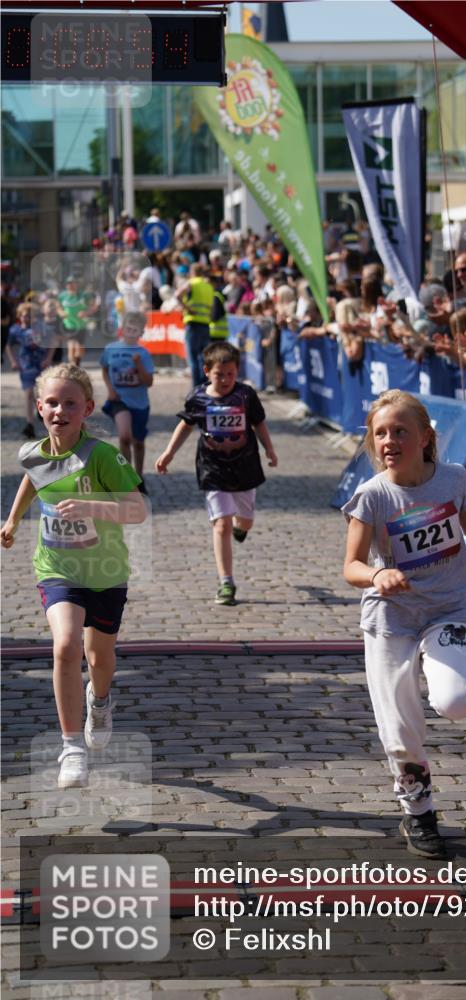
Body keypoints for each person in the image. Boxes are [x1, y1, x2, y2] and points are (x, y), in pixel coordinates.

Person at [342, 390, 466, 857]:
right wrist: (378, 573)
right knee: (399, 729)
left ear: (427, 437)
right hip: (390, 619)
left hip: (447, 609)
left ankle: (451, 670)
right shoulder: (372, 497)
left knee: (453, 701)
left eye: (401, 431)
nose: (390, 440)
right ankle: (419, 814)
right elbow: (350, 565)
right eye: (381, 433)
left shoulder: (453, 480)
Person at [0, 364, 146, 789]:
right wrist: (12, 520)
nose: (59, 410)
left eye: (70, 403)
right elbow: (33, 478)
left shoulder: (101, 457)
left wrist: (93, 508)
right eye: (52, 402)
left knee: (99, 659)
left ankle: (100, 702)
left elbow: (136, 510)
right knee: (65, 645)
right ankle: (71, 748)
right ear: (39, 407)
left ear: (87, 409)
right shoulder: (32, 452)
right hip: (57, 568)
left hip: (105, 571)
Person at [155, 341, 278, 606]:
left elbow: (259, 423)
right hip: (213, 468)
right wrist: (169, 453)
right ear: (207, 371)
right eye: (219, 374)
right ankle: (226, 582)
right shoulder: (198, 397)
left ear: (238, 371)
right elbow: (186, 425)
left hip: (245, 466)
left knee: (244, 521)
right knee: (220, 523)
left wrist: (269, 449)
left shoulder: (245, 396)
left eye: (230, 374)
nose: (224, 380)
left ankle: (240, 527)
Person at [100, 311, 154, 482]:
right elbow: (104, 368)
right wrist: (110, 389)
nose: (131, 330)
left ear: (141, 333)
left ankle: (139, 476)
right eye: (128, 326)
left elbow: (149, 381)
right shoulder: (110, 349)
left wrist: (138, 365)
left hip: (139, 403)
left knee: (138, 442)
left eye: (135, 328)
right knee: (124, 437)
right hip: (119, 400)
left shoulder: (143, 353)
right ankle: (128, 477)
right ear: (122, 328)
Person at [6, 302, 58, 438]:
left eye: (29, 316)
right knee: (29, 394)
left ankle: (40, 410)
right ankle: (30, 424)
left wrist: (48, 358)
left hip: (42, 366)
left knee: (42, 393)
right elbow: (8, 346)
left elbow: (54, 342)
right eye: (23, 316)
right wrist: (13, 361)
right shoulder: (15, 330)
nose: (26, 318)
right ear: (19, 316)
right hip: (26, 366)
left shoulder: (42, 328)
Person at [176, 263, 214, 387]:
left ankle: (196, 389)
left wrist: (187, 308)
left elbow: (177, 295)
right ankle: (204, 386)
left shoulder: (191, 283)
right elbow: (211, 307)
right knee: (203, 358)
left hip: (193, 323)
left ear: (192, 272)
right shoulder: (209, 286)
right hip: (205, 324)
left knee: (192, 358)